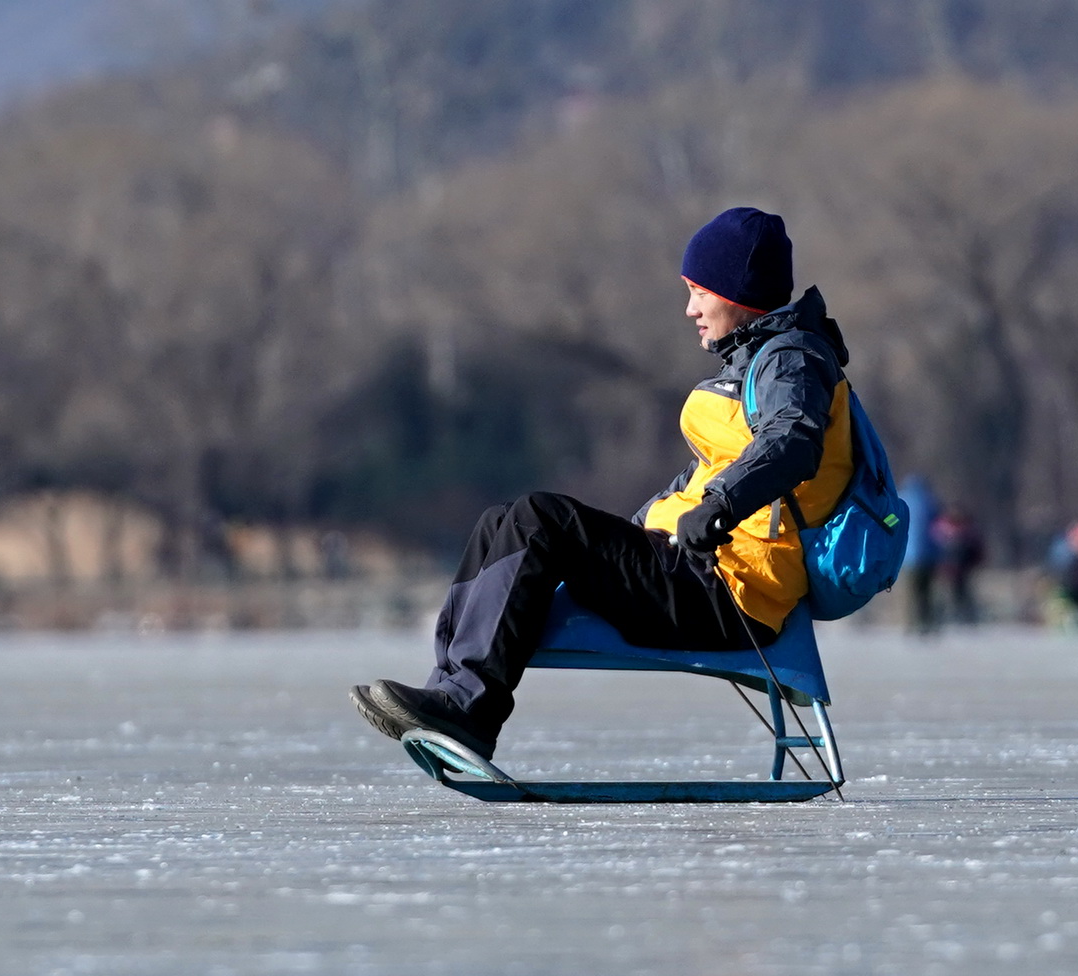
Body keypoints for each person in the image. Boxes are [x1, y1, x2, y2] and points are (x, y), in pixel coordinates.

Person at [348, 206, 853, 761]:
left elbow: (793, 442)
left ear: (737, 290)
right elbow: (705, 473)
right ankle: (448, 691)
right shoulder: (754, 363)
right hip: (688, 567)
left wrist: (722, 504)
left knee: (538, 519)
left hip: (729, 591)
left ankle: (470, 708)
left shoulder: (792, 362)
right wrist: (633, 532)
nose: (689, 309)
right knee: (503, 521)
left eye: (698, 292)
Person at [900, 474, 943, 634]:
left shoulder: (902, 500)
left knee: (911, 593)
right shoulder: (931, 502)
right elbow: (938, 527)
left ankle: (911, 624)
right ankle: (928, 623)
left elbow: (892, 520)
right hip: (929, 556)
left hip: (909, 557)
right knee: (928, 593)